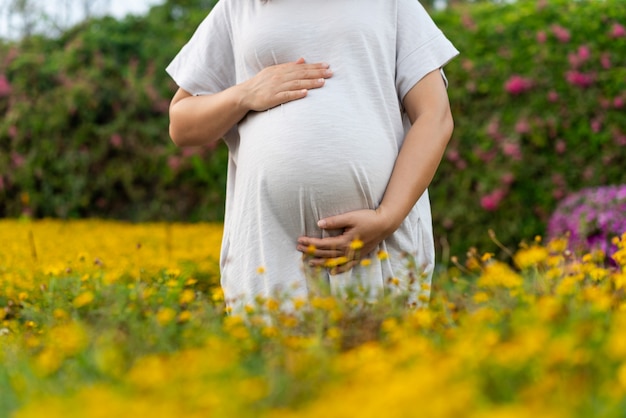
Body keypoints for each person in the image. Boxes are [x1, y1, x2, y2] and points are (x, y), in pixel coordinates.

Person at [166, 0, 459, 309]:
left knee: (382, 353)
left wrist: (387, 217)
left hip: (380, 245)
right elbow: (182, 124)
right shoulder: (238, 7)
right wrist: (245, 94)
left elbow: (435, 116)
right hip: (268, 250)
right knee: (274, 357)